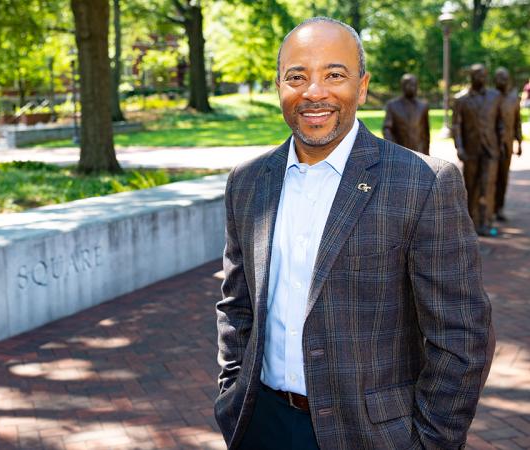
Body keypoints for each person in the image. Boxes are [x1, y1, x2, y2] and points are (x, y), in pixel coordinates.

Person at [215, 17, 494, 450]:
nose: (314, 92)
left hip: (372, 436)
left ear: (361, 88)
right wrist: (231, 394)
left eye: (334, 74)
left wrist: (431, 442)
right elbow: (237, 306)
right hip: (259, 424)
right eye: (297, 77)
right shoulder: (248, 181)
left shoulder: (423, 183)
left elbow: (462, 336)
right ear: (279, 87)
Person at [452, 64, 503, 236]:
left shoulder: (495, 96)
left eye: (484, 75)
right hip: (471, 149)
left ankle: (486, 222)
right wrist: (459, 146)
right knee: (471, 186)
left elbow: (500, 122)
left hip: (491, 148)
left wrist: (502, 143)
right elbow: (456, 125)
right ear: (472, 77)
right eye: (478, 75)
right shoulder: (461, 99)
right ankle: (470, 222)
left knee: (487, 185)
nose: (482, 78)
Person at [493, 68, 523, 221]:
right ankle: (488, 209)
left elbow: (517, 123)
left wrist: (519, 142)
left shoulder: (514, 99)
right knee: (490, 178)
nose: (501, 82)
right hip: (491, 145)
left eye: (504, 78)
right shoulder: (489, 98)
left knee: (503, 177)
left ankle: (499, 208)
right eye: (498, 78)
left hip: (507, 145)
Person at [383, 73, 430, 154]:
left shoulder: (423, 106)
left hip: (419, 152)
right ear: (403, 86)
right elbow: (387, 129)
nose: (414, 88)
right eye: (411, 85)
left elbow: (426, 132)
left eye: (415, 85)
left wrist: (427, 152)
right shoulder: (393, 106)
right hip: (400, 152)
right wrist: (393, 148)